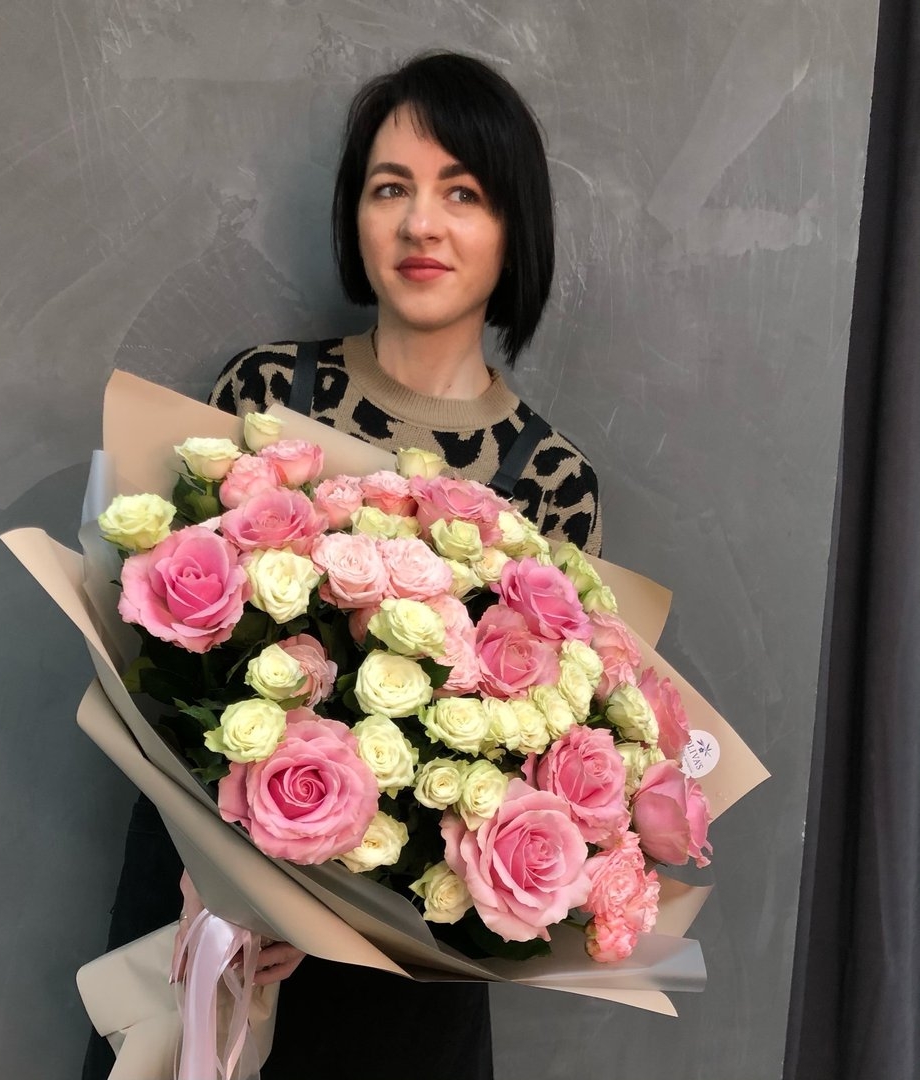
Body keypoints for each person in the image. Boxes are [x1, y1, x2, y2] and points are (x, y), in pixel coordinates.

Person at [83, 51, 601, 1080]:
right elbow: (166, 668)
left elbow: (529, 765)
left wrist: (352, 906)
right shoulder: (265, 395)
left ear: (514, 228)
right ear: (355, 216)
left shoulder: (550, 479)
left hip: (401, 971)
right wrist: (232, 886)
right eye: (390, 188)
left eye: (463, 193)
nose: (421, 224)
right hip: (207, 912)